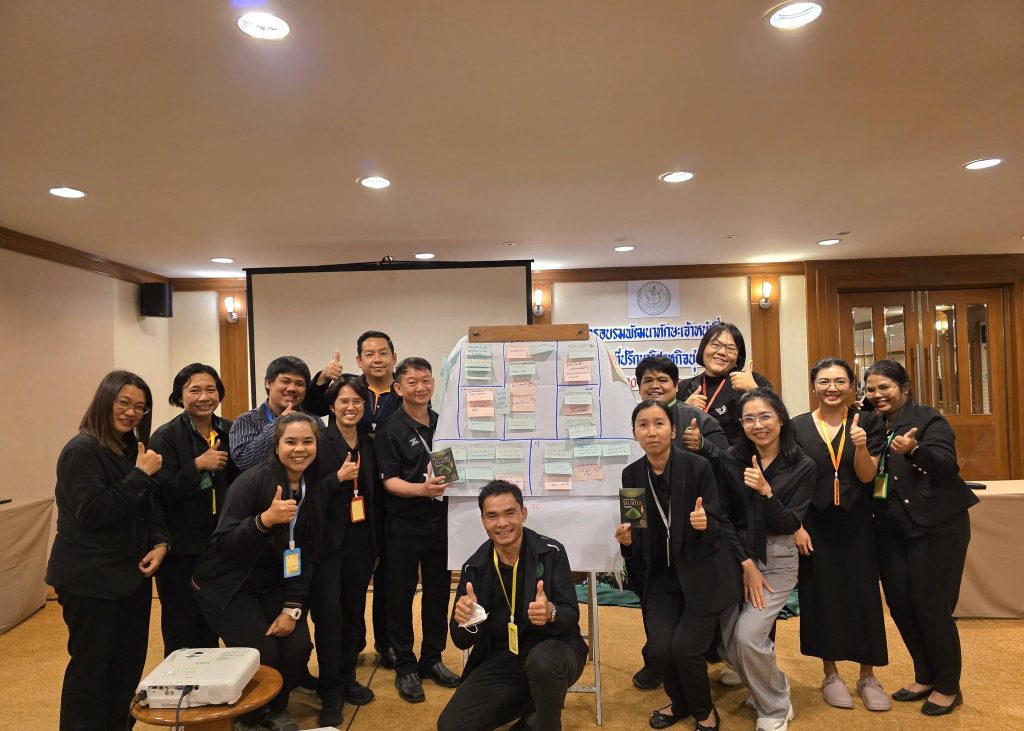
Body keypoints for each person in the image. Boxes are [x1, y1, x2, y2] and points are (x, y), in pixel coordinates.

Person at [46, 370, 169, 731]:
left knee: (126, 668)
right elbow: (93, 513)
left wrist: (161, 542)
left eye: (140, 408)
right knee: (92, 671)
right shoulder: (81, 450)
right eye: (123, 403)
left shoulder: (133, 449)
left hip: (130, 578)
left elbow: (150, 506)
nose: (131, 413)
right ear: (105, 400)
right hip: (90, 581)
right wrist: (140, 475)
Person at [192, 412, 326, 731]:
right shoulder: (252, 482)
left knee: (297, 649)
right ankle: (249, 718)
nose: (300, 449)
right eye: (290, 441)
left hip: (271, 584)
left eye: (307, 441)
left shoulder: (314, 486)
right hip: (226, 586)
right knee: (262, 654)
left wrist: (292, 607)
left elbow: (308, 553)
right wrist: (263, 521)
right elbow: (223, 544)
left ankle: (277, 709)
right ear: (276, 445)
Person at [615, 400, 741, 729]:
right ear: (634, 433)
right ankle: (680, 703)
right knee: (659, 649)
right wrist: (628, 542)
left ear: (673, 430)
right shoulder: (631, 475)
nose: (651, 431)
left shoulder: (698, 467)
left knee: (684, 649)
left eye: (659, 423)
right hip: (661, 577)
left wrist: (705, 524)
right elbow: (637, 529)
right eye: (643, 425)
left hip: (703, 572)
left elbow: (717, 523)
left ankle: (703, 710)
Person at [865, 359, 978, 717]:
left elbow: (947, 468)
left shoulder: (929, 419)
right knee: (901, 605)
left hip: (936, 527)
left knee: (931, 606)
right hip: (889, 529)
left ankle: (948, 686)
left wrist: (914, 450)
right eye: (871, 389)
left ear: (904, 388)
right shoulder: (870, 422)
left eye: (885, 387)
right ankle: (925, 676)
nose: (878, 394)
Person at [438, 480, 589, 731]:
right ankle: (533, 709)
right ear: (483, 520)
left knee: (542, 663)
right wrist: (466, 620)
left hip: (555, 649)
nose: (502, 523)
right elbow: (461, 641)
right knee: (452, 726)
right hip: (504, 657)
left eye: (510, 513)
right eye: (492, 516)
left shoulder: (551, 552)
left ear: (523, 514)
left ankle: (545, 722)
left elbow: (571, 614)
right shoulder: (474, 568)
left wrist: (551, 613)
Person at [791, 358, 890, 712]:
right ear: (813, 386)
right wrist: (796, 526)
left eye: (839, 381)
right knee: (821, 596)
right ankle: (830, 673)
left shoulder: (868, 422)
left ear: (851, 386)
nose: (831, 388)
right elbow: (792, 482)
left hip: (857, 522)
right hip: (814, 524)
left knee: (864, 595)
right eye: (823, 381)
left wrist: (861, 446)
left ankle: (868, 675)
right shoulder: (797, 426)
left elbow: (867, 477)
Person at [713, 388, 815, 731]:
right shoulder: (731, 459)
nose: (758, 425)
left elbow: (789, 523)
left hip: (778, 558)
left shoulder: (803, 465)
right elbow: (723, 517)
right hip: (737, 558)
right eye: (749, 419)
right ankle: (769, 684)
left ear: (781, 419)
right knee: (726, 640)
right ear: (741, 424)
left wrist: (765, 491)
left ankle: (775, 705)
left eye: (765, 416)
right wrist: (746, 563)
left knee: (747, 637)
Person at [631, 355, 730, 690]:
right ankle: (656, 659)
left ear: (676, 385)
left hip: (694, 530)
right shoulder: (633, 418)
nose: (655, 386)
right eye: (647, 380)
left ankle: (689, 658)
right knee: (653, 596)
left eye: (662, 380)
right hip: (652, 531)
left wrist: (703, 445)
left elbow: (727, 463)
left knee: (692, 603)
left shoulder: (698, 418)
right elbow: (630, 487)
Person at [375, 357, 461, 702]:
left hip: (441, 523)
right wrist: (422, 490)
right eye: (412, 382)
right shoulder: (390, 430)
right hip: (403, 524)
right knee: (400, 596)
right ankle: (406, 666)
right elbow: (389, 482)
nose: (420, 387)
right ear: (398, 388)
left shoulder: (444, 423)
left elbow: (449, 469)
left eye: (426, 380)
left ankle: (432, 659)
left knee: (438, 594)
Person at [150, 363, 237, 656]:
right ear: (180, 395)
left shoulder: (229, 430)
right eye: (194, 390)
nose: (204, 397)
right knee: (182, 625)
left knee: (214, 620)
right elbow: (159, 493)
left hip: (220, 545)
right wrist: (197, 466)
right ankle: (183, 681)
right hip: (181, 548)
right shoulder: (166, 436)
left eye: (211, 389)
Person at [309, 375, 380, 726]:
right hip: (326, 544)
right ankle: (331, 689)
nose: (350, 407)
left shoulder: (369, 443)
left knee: (353, 612)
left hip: (361, 542)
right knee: (329, 616)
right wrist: (336, 478)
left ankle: (348, 676)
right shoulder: (318, 442)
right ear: (332, 406)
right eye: (343, 401)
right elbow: (305, 491)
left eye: (357, 402)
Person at [678, 322, 772, 445]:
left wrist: (754, 391)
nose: (722, 352)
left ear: (738, 357)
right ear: (703, 348)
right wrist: (684, 411)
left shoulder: (753, 380)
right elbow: (670, 432)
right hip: (694, 457)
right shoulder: (684, 387)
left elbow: (778, 420)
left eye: (731, 348)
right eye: (716, 345)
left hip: (740, 456)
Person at [229, 355, 323, 472]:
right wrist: (280, 423)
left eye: (299, 384)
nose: (292, 388)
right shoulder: (246, 421)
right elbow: (245, 462)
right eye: (285, 381)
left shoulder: (314, 421)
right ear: (268, 383)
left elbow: (323, 462)